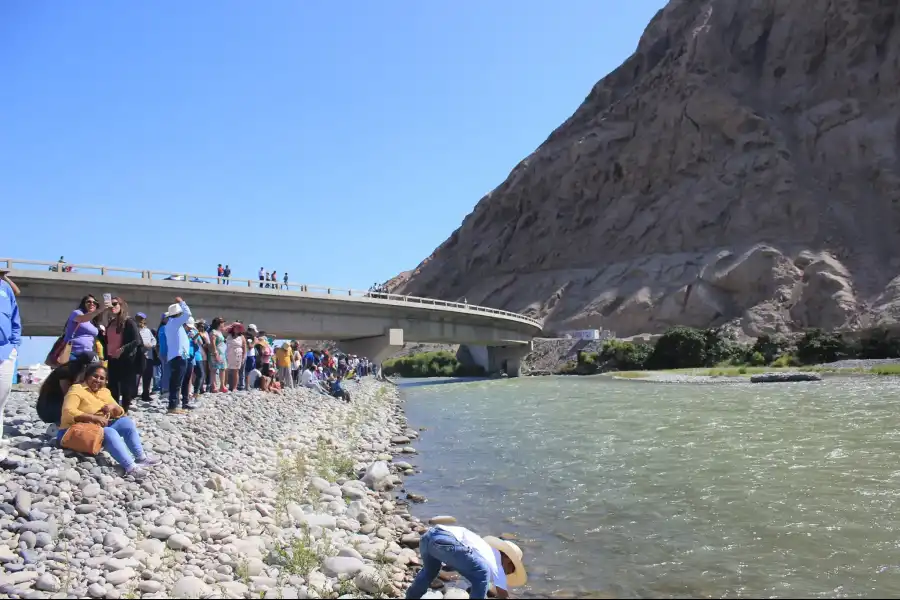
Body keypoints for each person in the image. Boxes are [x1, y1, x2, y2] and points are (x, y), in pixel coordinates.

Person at [59, 364, 160, 479]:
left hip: (97, 429)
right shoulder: (77, 389)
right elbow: (68, 411)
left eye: (102, 378)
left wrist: (114, 408)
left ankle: (141, 458)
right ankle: (131, 468)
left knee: (126, 422)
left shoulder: (104, 392)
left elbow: (120, 411)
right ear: (87, 377)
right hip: (71, 432)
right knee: (108, 432)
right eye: (95, 376)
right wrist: (94, 418)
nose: (98, 380)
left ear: (106, 381)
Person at [405, 526, 526, 600]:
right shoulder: (497, 560)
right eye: (510, 570)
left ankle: (411, 597)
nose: (506, 573)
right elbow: (502, 593)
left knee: (429, 572)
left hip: (428, 537)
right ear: (508, 559)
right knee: (482, 573)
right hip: (446, 541)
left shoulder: (484, 549)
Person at [104, 297, 143, 413]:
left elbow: (137, 340)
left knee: (126, 386)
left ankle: (124, 410)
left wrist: (122, 349)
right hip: (111, 358)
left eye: (115, 304)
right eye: (110, 305)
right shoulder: (110, 323)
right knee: (112, 386)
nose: (112, 307)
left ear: (121, 306)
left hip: (125, 359)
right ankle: (114, 410)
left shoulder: (129, 322)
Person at [37, 352, 99, 425]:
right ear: (84, 366)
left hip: (57, 405)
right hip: (48, 408)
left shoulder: (81, 372)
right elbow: (68, 395)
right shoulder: (66, 371)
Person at [0, 269, 21, 456]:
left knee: (1, 399)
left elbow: (15, 318)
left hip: (5, 351)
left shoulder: (5, 288)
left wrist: (14, 346)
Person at [163, 297, 193, 414]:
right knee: (176, 382)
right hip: (179, 356)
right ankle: (173, 406)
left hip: (178, 356)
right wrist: (181, 302)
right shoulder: (175, 323)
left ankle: (175, 404)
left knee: (176, 381)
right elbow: (188, 313)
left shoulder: (171, 324)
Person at [63, 295, 110, 362]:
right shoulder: (77, 313)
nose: (92, 304)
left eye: (94, 303)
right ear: (83, 304)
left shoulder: (94, 321)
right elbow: (82, 318)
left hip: (88, 352)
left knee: (96, 369)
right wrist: (100, 310)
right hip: (73, 352)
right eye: (89, 302)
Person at [136, 313, 157, 402]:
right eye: (138, 318)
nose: (140, 320)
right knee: (137, 376)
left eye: (142, 319)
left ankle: (145, 394)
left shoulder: (148, 330)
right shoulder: (135, 330)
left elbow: (154, 340)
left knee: (148, 376)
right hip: (139, 356)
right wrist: (143, 345)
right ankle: (133, 393)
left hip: (148, 356)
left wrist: (151, 345)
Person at [208, 317, 227, 392]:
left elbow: (226, 328)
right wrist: (215, 352)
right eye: (222, 323)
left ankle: (222, 385)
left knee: (222, 368)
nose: (223, 324)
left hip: (222, 353)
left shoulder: (219, 331)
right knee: (214, 369)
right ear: (219, 324)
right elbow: (213, 343)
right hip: (215, 353)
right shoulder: (213, 332)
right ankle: (213, 386)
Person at [225, 323, 246, 391]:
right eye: (235, 327)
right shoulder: (229, 335)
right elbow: (222, 330)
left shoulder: (242, 337)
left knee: (235, 371)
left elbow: (244, 347)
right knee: (227, 370)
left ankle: (234, 387)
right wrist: (231, 325)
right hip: (229, 353)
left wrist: (243, 357)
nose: (237, 329)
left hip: (237, 354)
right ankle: (226, 386)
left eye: (238, 328)